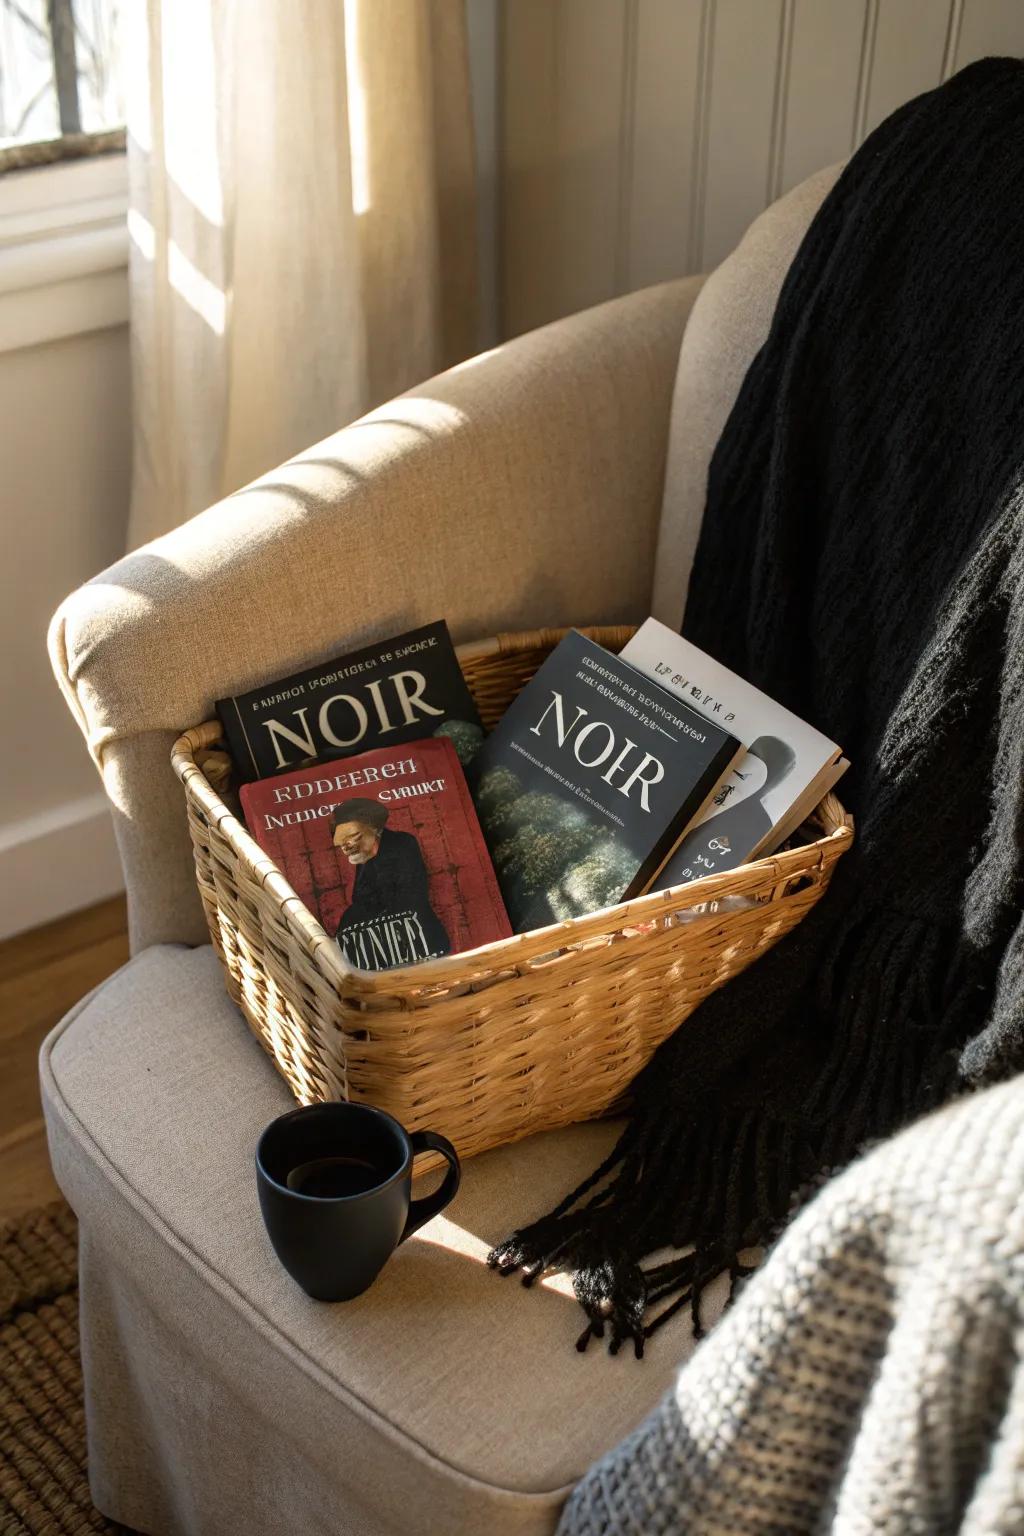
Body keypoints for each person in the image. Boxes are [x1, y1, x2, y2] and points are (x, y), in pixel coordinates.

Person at [331, 798, 450, 968]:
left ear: (375, 829)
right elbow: (359, 899)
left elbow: (409, 897)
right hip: (382, 946)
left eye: (353, 837)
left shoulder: (402, 844)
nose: (346, 848)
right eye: (341, 844)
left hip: (415, 942)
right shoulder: (365, 857)